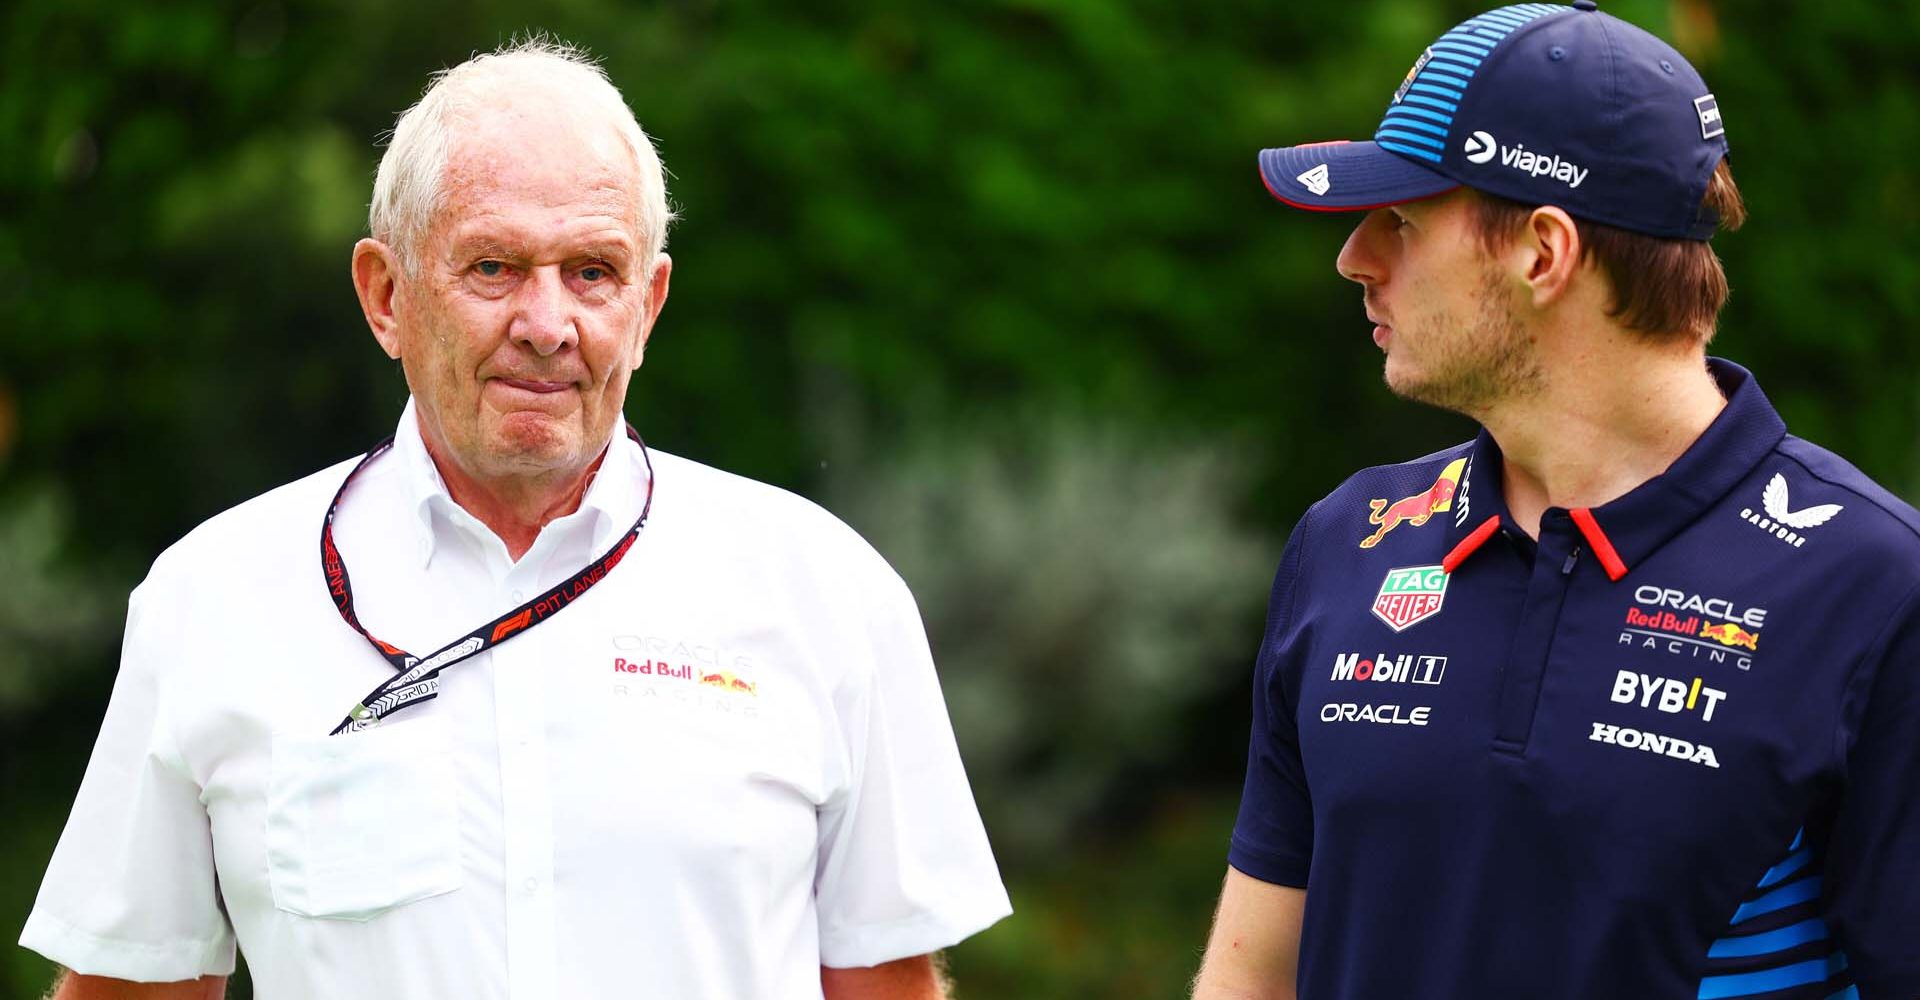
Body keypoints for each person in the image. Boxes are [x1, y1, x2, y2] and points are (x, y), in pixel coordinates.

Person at [21, 39, 1010, 1000]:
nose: (546, 325)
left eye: (592, 271)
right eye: (493, 267)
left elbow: (886, 984)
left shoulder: (824, 591)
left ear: (650, 304)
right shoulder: (216, 599)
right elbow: (129, 986)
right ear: (386, 296)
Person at [1191, 3, 1920, 999]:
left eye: (1402, 221)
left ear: (1543, 252)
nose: (1355, 259)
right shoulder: (1346, 540)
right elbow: (1254, 976)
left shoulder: (1876, 586)